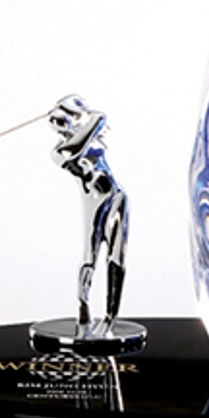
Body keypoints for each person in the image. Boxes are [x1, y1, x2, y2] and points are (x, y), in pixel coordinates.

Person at [49, 95, 128, 337]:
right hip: (93, 201)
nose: (66, 125)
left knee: (117, 255)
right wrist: (95, 119)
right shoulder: (60, 151)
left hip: (116, 195)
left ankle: (111, 316)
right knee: (90, 256)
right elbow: (75, 149)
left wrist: (87, 115)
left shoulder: (91, 135)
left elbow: (94, 124)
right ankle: (82, 303)